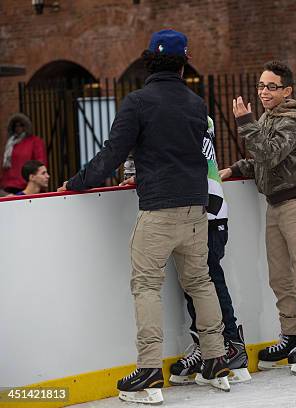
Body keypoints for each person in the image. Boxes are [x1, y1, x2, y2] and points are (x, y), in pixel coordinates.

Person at [59, 29, 230, 404]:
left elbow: (111, 155)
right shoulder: (196, 103)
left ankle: (150, 367)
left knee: (146, 286)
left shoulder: (137, 102)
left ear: (149, 59)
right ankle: (217, 358)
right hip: (196, 207)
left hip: (159, 209)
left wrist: (74, 182)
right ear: (183, 62)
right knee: (200, 282)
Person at [122, 116, 251, 385]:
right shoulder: (190, 116)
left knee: (207, 281)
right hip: (205, 205)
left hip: (207, 208)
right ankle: (212, 347)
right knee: (200, 282)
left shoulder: (190, 119)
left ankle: (230, 346)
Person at [220, 60, 296, 375]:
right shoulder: (268, 118)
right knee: (279, 276)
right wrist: (237, 168)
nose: (264, 92)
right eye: (262, 86)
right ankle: (291, 335)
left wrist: (246, 122)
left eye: (271, 86)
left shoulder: (291, 120)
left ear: (287, 90)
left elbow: (270, 153)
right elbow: (262, 162)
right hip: (275, 205)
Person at [1, 113, 47, 194]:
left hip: (27, 184)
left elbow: (40, 163)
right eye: (16, 125)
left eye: (21, 125)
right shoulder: (11, 143)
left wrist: (37, 178)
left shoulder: (35, 141)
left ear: (26, 126)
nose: (18, 128)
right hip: (10, 185)